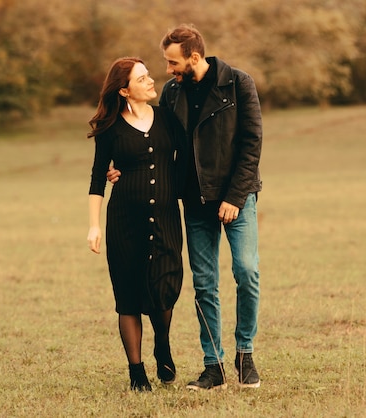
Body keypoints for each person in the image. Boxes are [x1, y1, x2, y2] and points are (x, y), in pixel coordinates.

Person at [108, 24, 263, 390]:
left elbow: (251, 144)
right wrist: (120, 167)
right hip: (194, 202)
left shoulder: (239, 84)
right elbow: (157, 139)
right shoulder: (174, 93)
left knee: (246, 272)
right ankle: (215, 366)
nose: (168, 70)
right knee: (205, 284)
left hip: (236, 198)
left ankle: (245, 354)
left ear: (194, 57)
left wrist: (234, 198)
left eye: (173, 62)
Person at [87, 57, 186, 392]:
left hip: (167, 218)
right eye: (142, 78)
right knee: (128, 295)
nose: (150, 81)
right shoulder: (111, 128)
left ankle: (163, 344)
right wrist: (94, 225)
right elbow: (98, 178)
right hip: (124, 221)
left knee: (166, 287)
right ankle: (136, 372)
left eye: (148, 76)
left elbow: (184, 157)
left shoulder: (167, 118)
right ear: (125, 90)